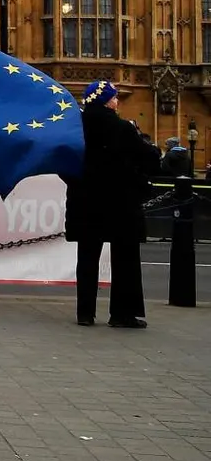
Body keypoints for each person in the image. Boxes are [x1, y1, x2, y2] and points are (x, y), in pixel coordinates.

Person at [69, 81, 158, 328]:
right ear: (107, 101)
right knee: (125, 258)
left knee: (87, 257)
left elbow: (64, 164)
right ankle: (122, 314)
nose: (118, 102)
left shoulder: (75, 128)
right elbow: (150, 160)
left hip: (86, 202)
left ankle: (85, 313)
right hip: (121, 203)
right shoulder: (123, 128)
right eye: (115, 98)